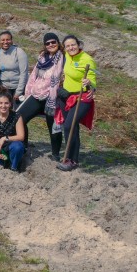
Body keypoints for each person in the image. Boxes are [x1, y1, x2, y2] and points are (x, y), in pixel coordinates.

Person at [15, 32, 65, 160]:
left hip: (52, 97)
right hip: (36, 94)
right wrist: (28, 92)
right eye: (47, 43)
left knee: (53, 126)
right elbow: (33, 76)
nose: (51, 45)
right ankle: (23, 145)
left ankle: (55, 154)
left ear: (58, 43)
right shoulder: (42, 57)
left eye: (53, 42)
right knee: (19, 118)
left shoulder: (63, 58)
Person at [56, 35, 97, 172]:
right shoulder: (66, 56)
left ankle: (69, 159)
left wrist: (89, 83)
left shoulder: (87, 59)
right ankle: (74, 159)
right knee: (73, 129)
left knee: (69, 126)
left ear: (79, 44)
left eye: (73, 45)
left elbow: (92, 77)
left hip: (81, 97)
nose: (71, 48)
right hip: (66, 96)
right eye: (67, 46)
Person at [0, 91, 26, 172]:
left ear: (10, 104)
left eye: (6, 103)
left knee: (18, 147)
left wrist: (4, 138)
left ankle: (14, 167)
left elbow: (21, 136)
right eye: (0, 103)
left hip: (11, 145)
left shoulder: (16, 116)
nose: (3, 106)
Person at [0, 31, 29, 103]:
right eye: (3, 40)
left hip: (18, 87)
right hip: (4, 88)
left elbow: (24, 73)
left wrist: (19, 91)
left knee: (17, 111)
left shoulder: (19, 52)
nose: (5, 42)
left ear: (11, 40)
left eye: (8, 39)